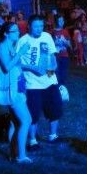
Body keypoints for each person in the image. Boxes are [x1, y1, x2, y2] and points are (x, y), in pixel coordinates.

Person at [0, 22, 32, 162]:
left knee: (15, 123)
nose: (18, 33)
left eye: (18, 31)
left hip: (18, 85)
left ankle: (13, 154)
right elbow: (7, 67)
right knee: (26, 120)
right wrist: (21, 52)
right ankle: (21, 156)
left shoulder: (11, 45)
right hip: (12, 89)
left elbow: (16, 65)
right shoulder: (2, 46)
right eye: (14, 31)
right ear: (6, 33)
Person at [17, 15, 62, 148]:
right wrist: (32, 68)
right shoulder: (23, 41)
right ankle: (32, 140)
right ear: (29, 26)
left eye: (41, 26)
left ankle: (53, 135)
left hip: (50, 82)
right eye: (36, 26)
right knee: (33, 112)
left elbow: (52, 56)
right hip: (33, 84)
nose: (39, 29)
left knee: (55, 109)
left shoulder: (47, 36)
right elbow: (16, 63)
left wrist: (51, 70)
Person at [52, 16, 72, 86]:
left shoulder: (65, 31)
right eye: (60, 21)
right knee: (56, 72)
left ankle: (62, 87)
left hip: (64, 55)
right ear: (56, 21)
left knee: (63, 73)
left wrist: (65, 41)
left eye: (63, 21)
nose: (62, 22)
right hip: (55, 56)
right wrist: (55, 42)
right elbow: (50, 44)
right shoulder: (53, 32)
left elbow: (69, 45)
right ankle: (57, 87)